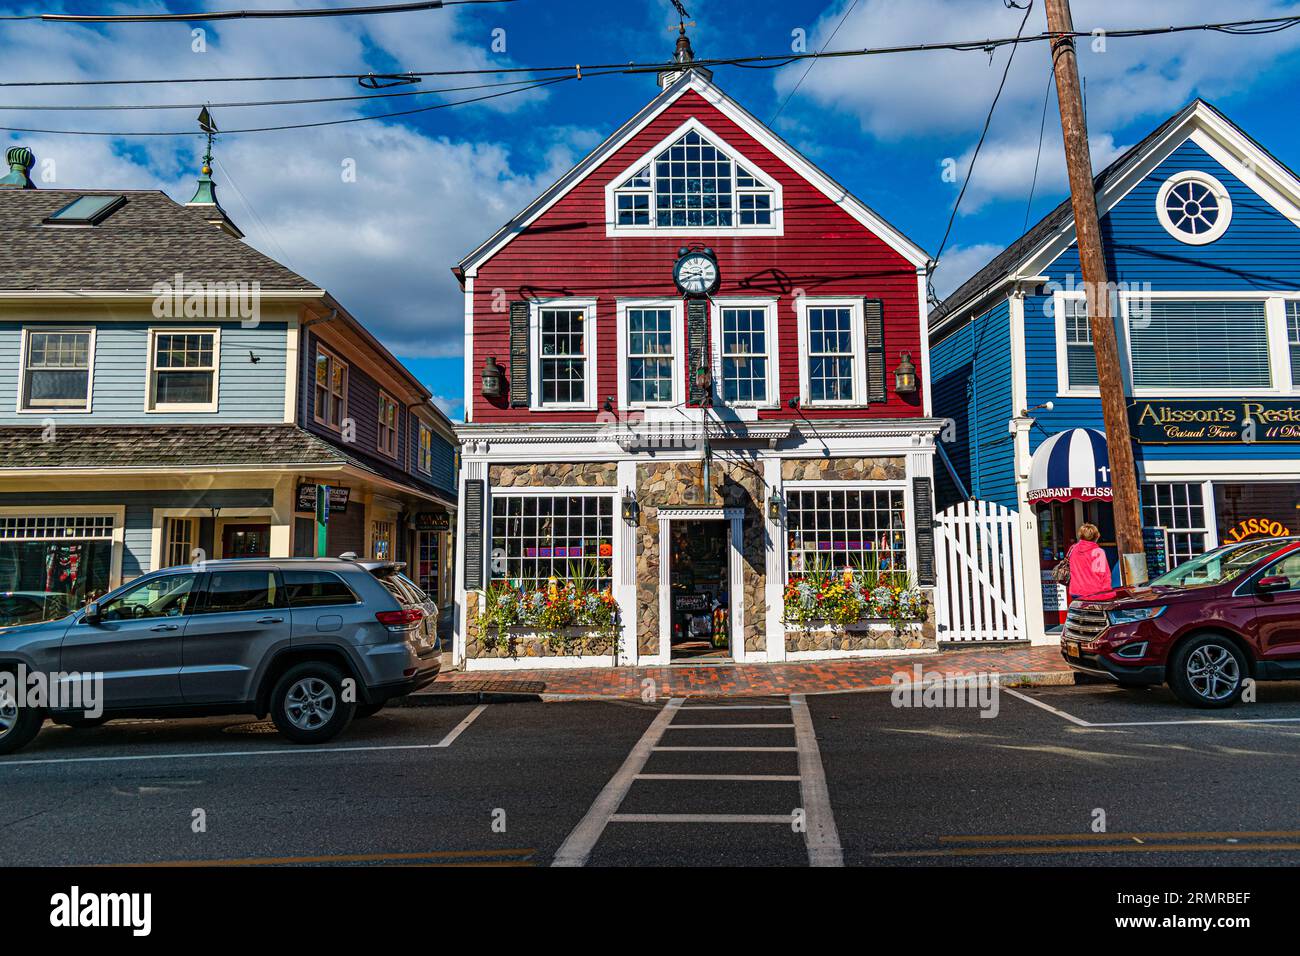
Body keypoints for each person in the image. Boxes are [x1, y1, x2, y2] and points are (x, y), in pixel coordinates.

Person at [1068, 523, 1116, 601]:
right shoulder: (1098, 552)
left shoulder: (1073, 549)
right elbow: (1104, 575)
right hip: (1093, 592)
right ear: (1096, 537)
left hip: (1076, 591)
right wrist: (1108, 592)